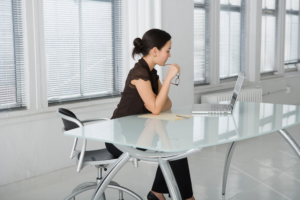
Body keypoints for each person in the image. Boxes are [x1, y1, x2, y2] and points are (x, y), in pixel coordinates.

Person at [105, 29, 195, 200]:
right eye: (167, 50)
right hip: (121, 137)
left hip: (139, 132)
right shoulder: (139, 74)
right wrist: (168, 79)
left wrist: (158, 100)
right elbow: (156, 108)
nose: (169, 55)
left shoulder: (151, 73)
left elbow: (167, 104)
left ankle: (157, 193)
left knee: (175, 149)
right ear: (155, 51)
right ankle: (182, 198)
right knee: (174, 150)